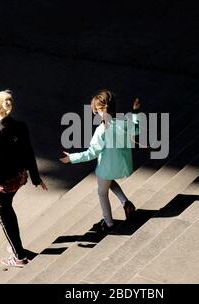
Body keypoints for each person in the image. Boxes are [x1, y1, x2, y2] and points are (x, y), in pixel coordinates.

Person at [0, 90, 48, 267]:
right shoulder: (21, 126)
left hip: (3, 184)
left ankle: (19, 256)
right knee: (8, 209)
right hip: (18, 178)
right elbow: (29, 152)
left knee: (4, 215)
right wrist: (35, 177)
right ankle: (15, 246)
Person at [60, 89, 140, 233]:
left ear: (102, 110)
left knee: (102, 193)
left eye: (96, 111)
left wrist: (71, 158)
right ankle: (126, 203)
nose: (95, 114)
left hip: (107, 168)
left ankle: (109, 223)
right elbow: (136, 129)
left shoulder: (101, 130)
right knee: (109, 183)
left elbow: (91, 153)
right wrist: (135, 113)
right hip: (121, 165)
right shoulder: (123, 122)